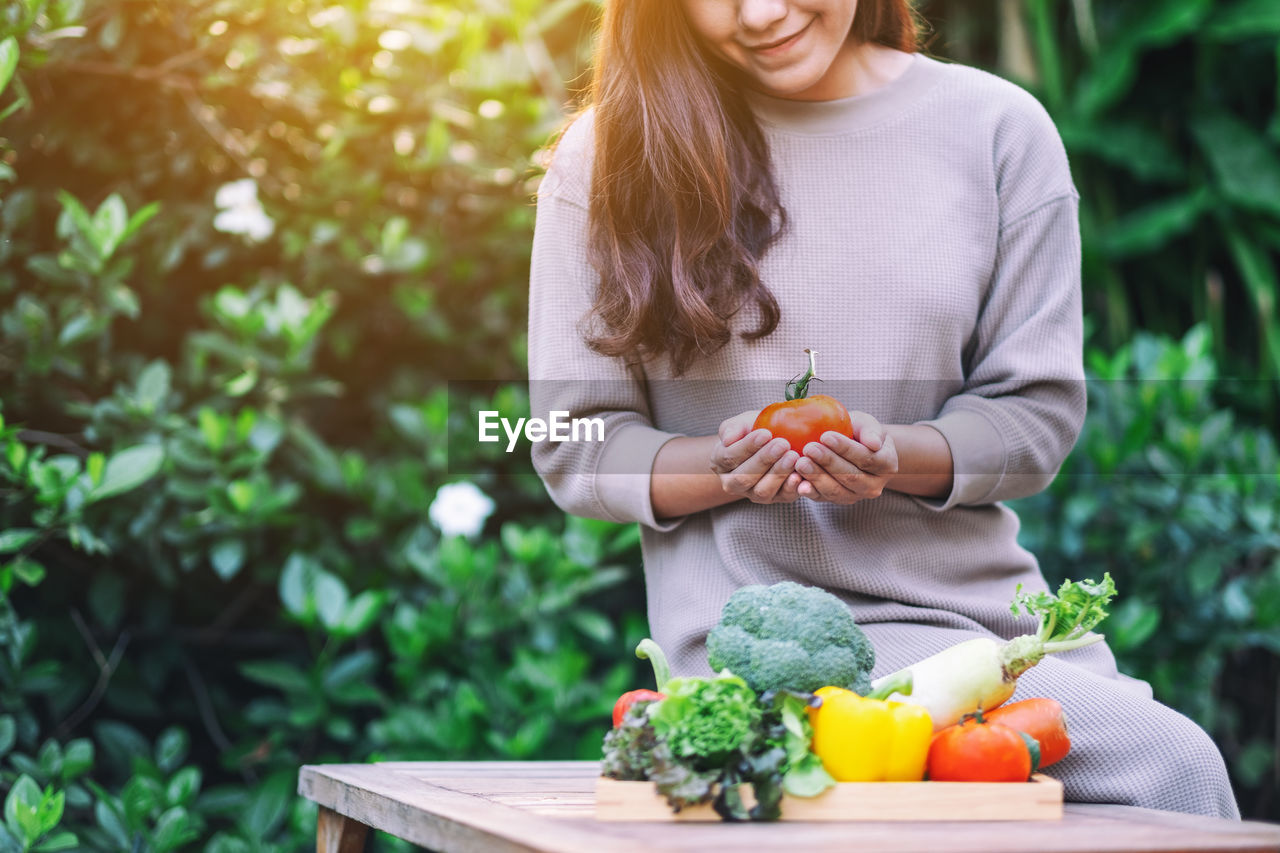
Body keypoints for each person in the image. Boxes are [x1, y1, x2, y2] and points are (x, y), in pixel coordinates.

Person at [527, 0, 1239, 819]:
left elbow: (1033, 415)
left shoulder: (997, 131)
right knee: (1174, 765)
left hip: (985, 628)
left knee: (1173, 778)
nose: (759, 14)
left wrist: (896, 454)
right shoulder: (612, 156)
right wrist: (727, 467)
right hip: (761, 646)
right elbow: (574, 439)